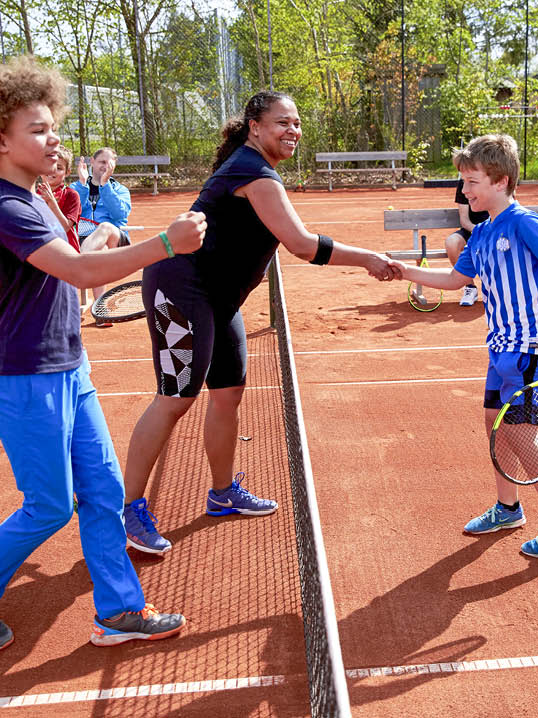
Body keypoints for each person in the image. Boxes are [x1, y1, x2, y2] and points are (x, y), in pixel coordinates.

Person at [0, 56, 204, 651]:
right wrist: (164, 244)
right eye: (37, 129)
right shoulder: (3, 208)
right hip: (23, 377)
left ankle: (119, 610)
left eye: (54, 127)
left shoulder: (34, 199)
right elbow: (79, 271)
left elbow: (74, 249)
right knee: (49, 506)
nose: (53, 137)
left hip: (68, 368)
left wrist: (60, 196)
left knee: (103, 491)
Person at [119, 91, 400, 555]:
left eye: (296, 123)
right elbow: (302, 246)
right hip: (182, 290)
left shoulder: (255, 169)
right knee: (175, 398)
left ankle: (223, 492)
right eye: (281, 123)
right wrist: (367, 257)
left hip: (218, 299)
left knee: (228, 393)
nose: (292, 131)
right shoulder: (254, 172)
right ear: (254, 127)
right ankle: (128, 510)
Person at [390, 134, 538, 558]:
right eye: (464, 181)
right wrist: (403, 270)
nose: (465, 190)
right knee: (492, 421)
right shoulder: (480, 234)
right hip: (501, 348)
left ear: (500, 181)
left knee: (518, 433)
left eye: (472, 181)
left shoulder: (524, 223)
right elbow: (454, 280)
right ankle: (507, 507)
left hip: (533, 347)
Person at [0, 145, 81, 322]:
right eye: (50, 165)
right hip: (36, 251)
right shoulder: (29, 194)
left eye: (60, 168)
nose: (53, 171)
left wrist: (52, 204)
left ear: (68, 172)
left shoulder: (71, 195)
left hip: (65, 251)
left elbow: (64, 227)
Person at [72, 147, 132, 311]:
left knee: (105, 227)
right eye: (101, 162)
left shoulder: (120, 190)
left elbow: (119, 214)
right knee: (99, 250)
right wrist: (83, 185)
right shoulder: (76, 187)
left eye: (109, 162)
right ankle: (101, 309)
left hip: (116, 239)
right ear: (92, 162)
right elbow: (73, 211)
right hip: (86, 241)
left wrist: (105, 186)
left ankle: (81, 261)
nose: (105, 166)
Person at [444, 174, 489, 306]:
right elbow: (464, 220)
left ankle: (494, 288)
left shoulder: (495, 180)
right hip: (472, 230)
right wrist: (479, 231)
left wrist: (490, 231)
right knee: (451, 242)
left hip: (495, 229)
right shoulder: (463, 184)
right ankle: (470, 287)